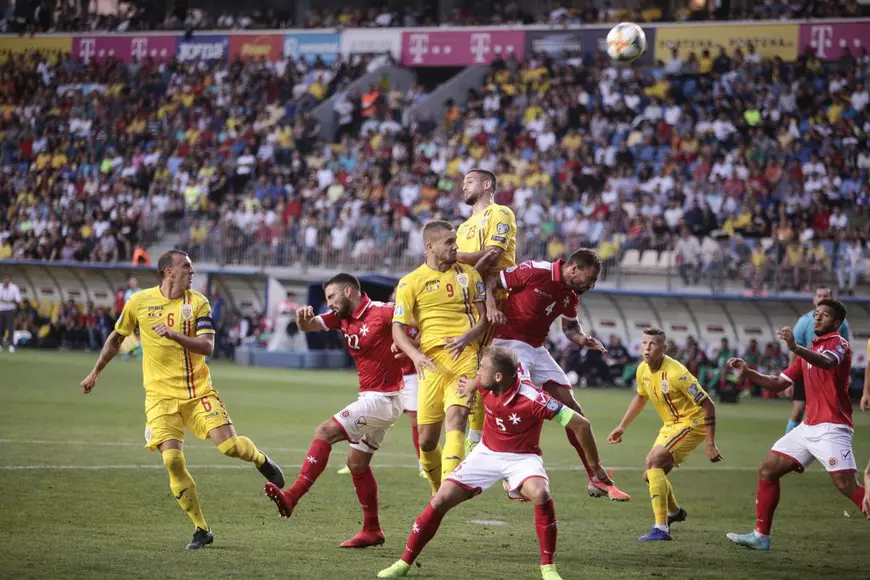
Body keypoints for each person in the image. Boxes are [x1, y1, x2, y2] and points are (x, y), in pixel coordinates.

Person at [79, 250, 285, 550]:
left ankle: (259, 458)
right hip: (160, 396)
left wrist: (175, 335)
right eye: (186, 267)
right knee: (172, 460)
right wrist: (95, 372)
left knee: (228, 446)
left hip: (197, 390)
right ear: (169, 273)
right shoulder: (139, 302)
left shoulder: (198, 302)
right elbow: (117, 336)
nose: (193, 271)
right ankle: (202, 529)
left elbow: (208, 346)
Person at [376, 346, 612, 580]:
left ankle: (548, 568)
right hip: (486, 454)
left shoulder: (535, 399)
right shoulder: (488, 382)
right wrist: (470, 385)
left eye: (482, 369)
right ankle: (403, 563)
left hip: (523, 458)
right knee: (440, 500)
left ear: (499, 376)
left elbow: (582, 425)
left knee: (541, 494)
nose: (478, 373)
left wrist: (596, 468)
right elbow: (478, 382)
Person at [265, 273, 403, 548]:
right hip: (374, 398)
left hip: (383, 399)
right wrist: (302, 320)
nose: (328, 303)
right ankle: (372, 529)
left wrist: (412, 344)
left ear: (349, 291)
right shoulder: (341, 317)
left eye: (331, 297)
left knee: (325, 431)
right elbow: (310, 326)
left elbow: (415, 323)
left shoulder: (383, 312)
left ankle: (292, 495)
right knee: (357, 464)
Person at [485, 249, 630, 501]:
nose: (592, 285)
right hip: (509, 343)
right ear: (574, 268)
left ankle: (595, 478)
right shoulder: (537, 271)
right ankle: (513, 479)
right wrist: (489, 308)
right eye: (590, 278)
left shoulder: (571, 294)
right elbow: (492, 279)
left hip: (537, 349)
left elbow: (570, 327)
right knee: (524, 408)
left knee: (574, 409)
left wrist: (584, 339)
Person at [725, 299, 867, 550]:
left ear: (836, 322)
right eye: (816, 314)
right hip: (808, 427)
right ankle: (761, 537)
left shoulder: (839, 344)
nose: (818, 318)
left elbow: (828, 362)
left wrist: (795, 346)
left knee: (847, 486)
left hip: (832, 427)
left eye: (824, 315)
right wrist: (748, 372)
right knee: (768, 469)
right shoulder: (808, 352)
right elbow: (778, 383)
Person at [392, 221, 490, 493]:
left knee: (457, 418)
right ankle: (438, 489)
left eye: (455, 240)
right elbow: (396, 328)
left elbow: (485, 320)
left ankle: (449, 487)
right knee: (426, 441)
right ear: (430, 247)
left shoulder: (470, 275)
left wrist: (467, 338)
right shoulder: (410, 282)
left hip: (464, 357)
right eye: (448, 242)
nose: (455, 246)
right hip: (431, 364)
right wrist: (415, 356)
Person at [608, 328, 722, 542]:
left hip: (692, 422)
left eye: (652, 344)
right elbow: (641, 398)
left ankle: (661, 528)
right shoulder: (642, 369)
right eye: (644, 343)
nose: (647, 348)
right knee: (650, 475)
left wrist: (710, 443)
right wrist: (622, 426)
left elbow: (709, 405)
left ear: (663, 348)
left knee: (653, 461)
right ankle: (674, 512)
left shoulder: (677, 373)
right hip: (671, 425)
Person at [455, 168, 517, 452]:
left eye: (469, 180)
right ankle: (471, 435)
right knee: (463, 364)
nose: (463, 186)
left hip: (494, 297)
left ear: (487, 183)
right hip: (466, 300)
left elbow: (493, 254)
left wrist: (458, 261)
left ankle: (476, 438)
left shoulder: (500, 213)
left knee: (480, 365)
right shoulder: (463, 227)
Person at [337, 286, 426, 479]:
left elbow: (426, 333)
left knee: (417, 421)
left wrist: (411, 345)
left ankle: (424, 465)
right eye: (395, 292)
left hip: (410, 375)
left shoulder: (412, 317)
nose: (396, 295)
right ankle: (353, 459)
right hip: (382, 377)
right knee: (365, 417)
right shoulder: (385, 314)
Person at [786, 287, 850, 433]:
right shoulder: (803, 321)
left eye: (825, 296)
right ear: (814, 299)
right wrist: (790, 379)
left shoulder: (841, 324)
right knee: (798, 411)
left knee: (826, 414)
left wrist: (848, 374)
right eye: (819, 295)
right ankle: (789, 444)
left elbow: (845, 349)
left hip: (829, 373)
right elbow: (794, 350)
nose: (821, 298)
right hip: (805, 370)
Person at [0, 275, 22, 353]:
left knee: (10, 328)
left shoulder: (14, 288)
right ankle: (0, 345)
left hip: (10, 310)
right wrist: (7, 300)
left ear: (9, 281)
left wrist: (8, 301)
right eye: (4, 281)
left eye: (7, 281)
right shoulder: (0, 287)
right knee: (1, 328)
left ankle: (11, 345)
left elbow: (18, 300)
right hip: (1, 309)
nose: (5, 283)